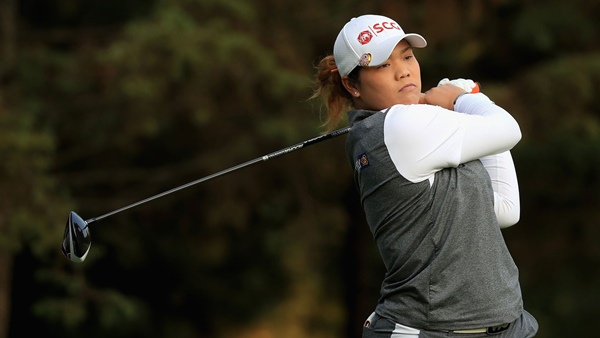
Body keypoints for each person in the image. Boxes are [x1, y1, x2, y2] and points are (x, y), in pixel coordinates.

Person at [311, 14, 538, 337]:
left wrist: (463, 106)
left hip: (504, 325)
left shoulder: (419, 128)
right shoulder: (396, 127)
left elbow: (503, 210)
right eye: (383, 65)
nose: (403, 70)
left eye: (407, 56)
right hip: (427, 329)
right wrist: (466, 99)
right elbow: (509, 129)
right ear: (351, 84)